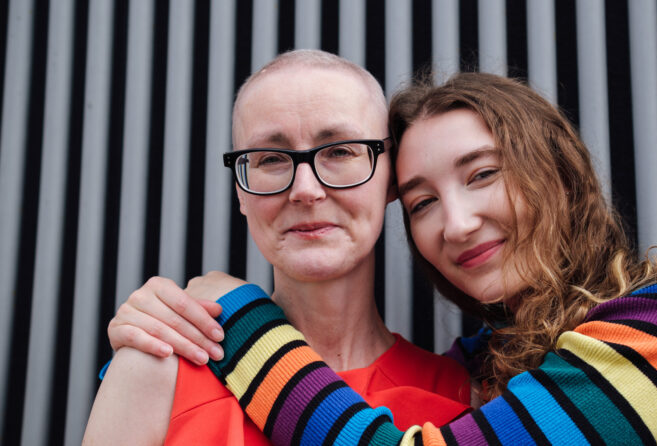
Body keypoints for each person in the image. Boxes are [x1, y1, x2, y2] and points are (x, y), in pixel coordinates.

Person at [112, 73, 657, 444]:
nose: (455, 223)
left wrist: (242, 314)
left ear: (558, 173)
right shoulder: (477, 376)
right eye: (421, 202)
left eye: (482, 174)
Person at [82, 51, 472, 445]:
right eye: (270, 159)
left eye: (339, 151)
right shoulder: (158, 365)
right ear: (240, 191)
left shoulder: (466, 392)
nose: (305, 190)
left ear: (390, 177)